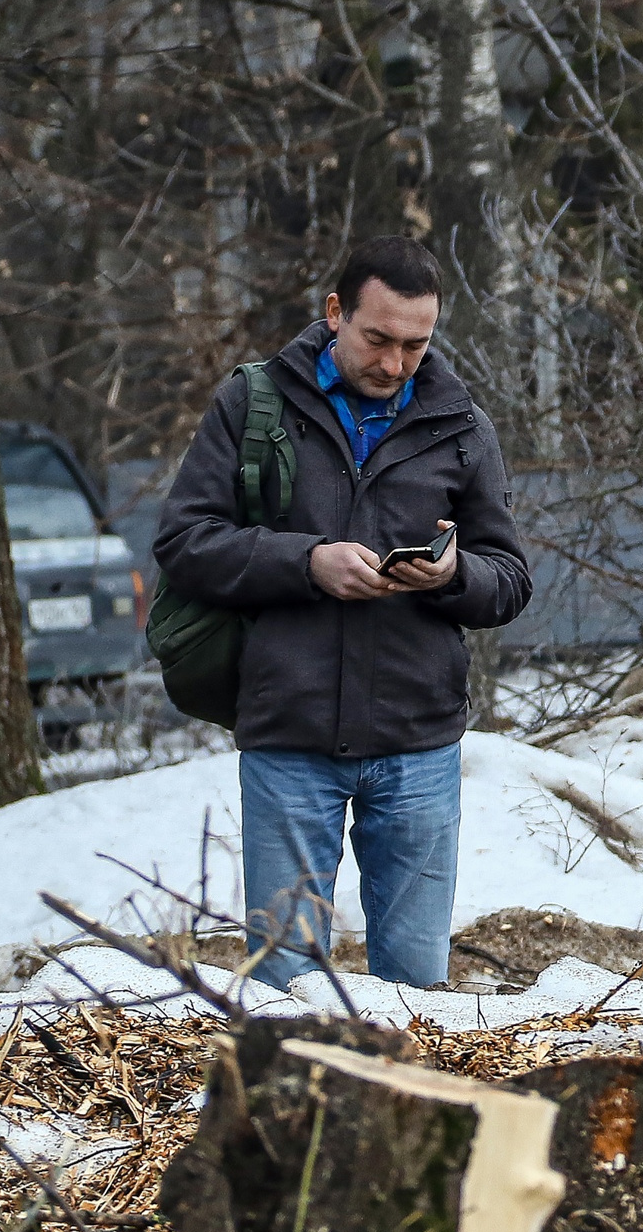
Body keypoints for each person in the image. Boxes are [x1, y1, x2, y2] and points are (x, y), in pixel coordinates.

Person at [155, 236, 530, 990]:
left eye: (416, 345)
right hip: (288, 734)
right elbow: (183, 541)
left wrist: (453, 574)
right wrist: (307, 562)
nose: (394, 364)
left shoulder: (462, 427)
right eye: (378, 339)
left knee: (418, 990)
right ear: (335, 313)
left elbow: (511, 577)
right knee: (284, 986)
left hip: (418, 740)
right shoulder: (253, 403)